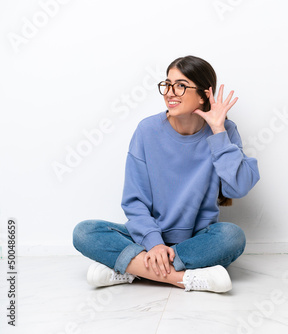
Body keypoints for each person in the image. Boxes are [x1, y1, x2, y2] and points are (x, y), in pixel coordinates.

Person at [73, 55, 260, 293]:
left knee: (232, 237)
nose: (170, 92)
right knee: (84, 232)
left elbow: (239, 187)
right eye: (167, 84)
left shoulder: (224, 131)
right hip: (146, 237)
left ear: (204, 94)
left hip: (196, 239)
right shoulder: (147, 130)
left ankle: (130, 269)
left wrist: (218, 132)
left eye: (181, 85)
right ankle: (184, 278)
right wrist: (155, 243)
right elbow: (134, 200)